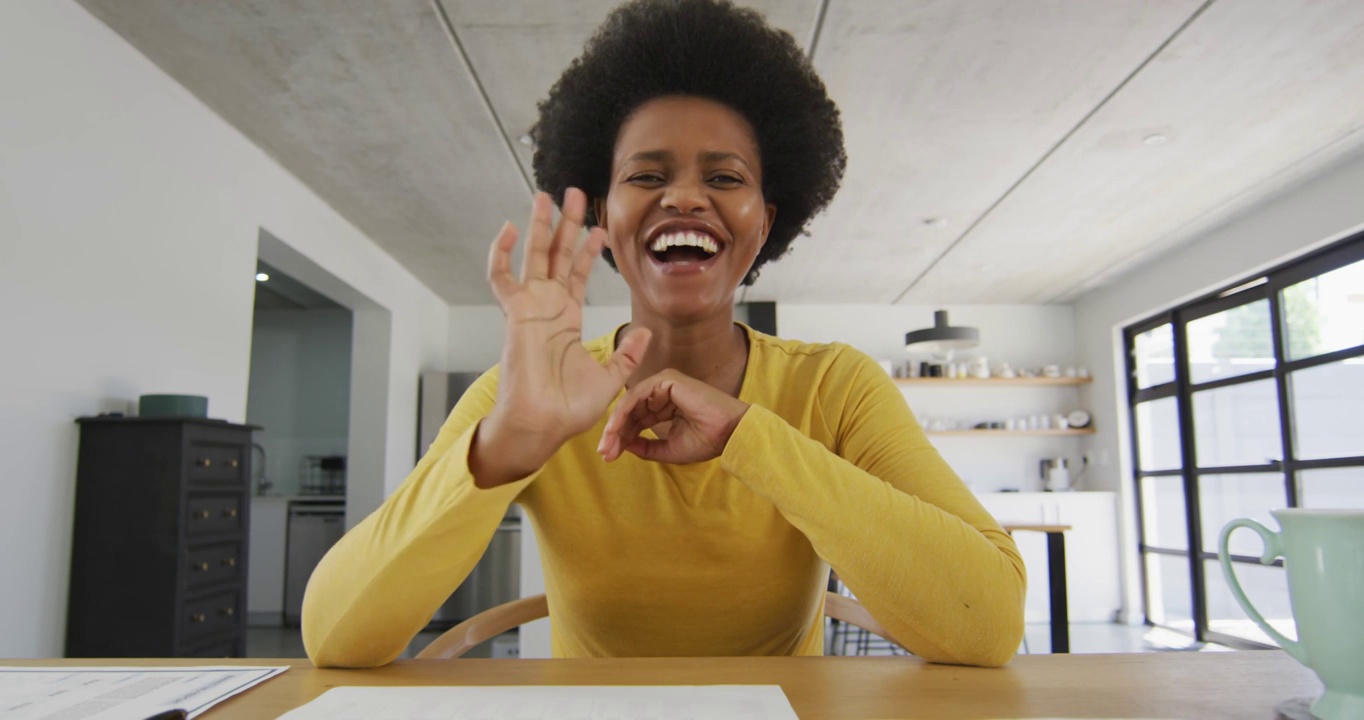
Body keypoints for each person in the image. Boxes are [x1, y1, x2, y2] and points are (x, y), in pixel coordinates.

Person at [303, 0, 1025, 668]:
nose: (684, 196)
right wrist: (511, 442)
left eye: (725, 177)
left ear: (765, 223)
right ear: (606, 219)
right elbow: (334, 637)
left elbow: (989, 625)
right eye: (646, 177)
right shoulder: (529, 394)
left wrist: (752, 437)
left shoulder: (834, 386)